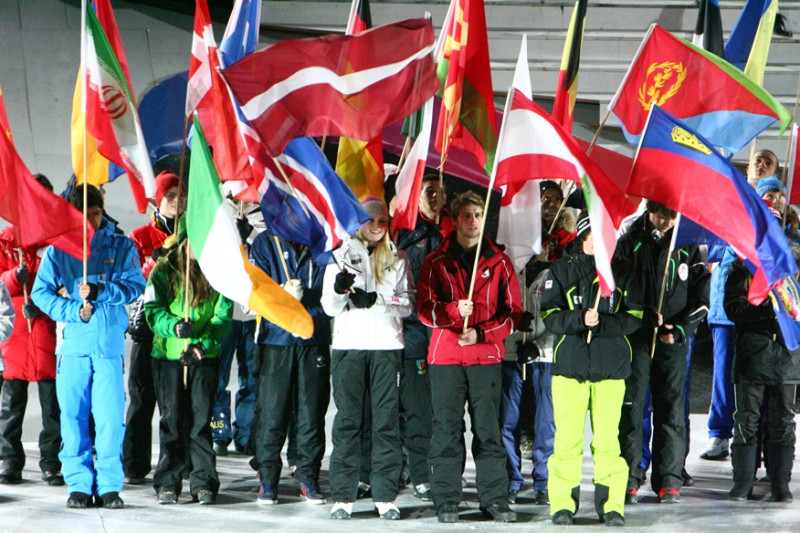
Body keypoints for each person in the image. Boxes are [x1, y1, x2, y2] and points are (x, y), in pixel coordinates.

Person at [31, 184, 145, 509]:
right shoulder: (58, 250)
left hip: (108, 349)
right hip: (73, 350)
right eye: (83, 215)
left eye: (95, 214)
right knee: (73, 417)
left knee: (110, 419)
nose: (90, 222)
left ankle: (109, 485)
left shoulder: (121, 245)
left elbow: (136, 285)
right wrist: (71, 311)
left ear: (102, 209)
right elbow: (42, 293)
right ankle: (78, 484)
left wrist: (100, 290)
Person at [417, 191, 522, 524]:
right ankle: (447, 499)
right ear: (456, 218)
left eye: (478, 214)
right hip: (446, 358)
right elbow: (423, 309)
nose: (473, 220)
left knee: (489, 430)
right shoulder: (436, 261)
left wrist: (482, 333)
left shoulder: (499, 261)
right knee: (447, 429)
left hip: (485, 358)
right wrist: (452, 311)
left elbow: (513, 314)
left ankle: (494, 499)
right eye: (467, 215)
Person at [541, 212, 639, 526]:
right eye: (596, 235)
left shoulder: (623, 271)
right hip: (569, 367)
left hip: (612, 369)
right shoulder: (560, 271)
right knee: (567, 440)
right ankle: (562, 505)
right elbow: (550, 315)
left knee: (609, 440)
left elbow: (635, 316)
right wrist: (579, 319)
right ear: (584, 238)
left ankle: (611, 506)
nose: (603, 242)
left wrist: (602, 324)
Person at [322, 197, 414, 520]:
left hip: (387, 348)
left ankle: (385, 494)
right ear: (358, 221)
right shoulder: (340, 257)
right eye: (370, 219)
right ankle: (343, 496)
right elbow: (329, 307)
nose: (376, 226)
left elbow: (408, 305)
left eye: (383, 221)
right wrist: (338, 288)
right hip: (349, 347)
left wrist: (379, 300)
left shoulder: (398, 258)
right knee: (348, 421)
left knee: (386, 422)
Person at [615, 201, 709, 504]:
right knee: (632, 408)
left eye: (672, 216)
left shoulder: (688, 242)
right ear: (650, 210)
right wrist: (640, 315)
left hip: (672, 343)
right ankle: (629, 476)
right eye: (661, 216)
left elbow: (701, 298)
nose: (666, 222)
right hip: (638, 340)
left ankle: (669, 479)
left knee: (671, 409)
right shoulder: (631, 238)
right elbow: (617, 287)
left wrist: (679, 329)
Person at [143, 238, 233, 505]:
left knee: (201, 421)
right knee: (172, 420)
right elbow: (153, 309)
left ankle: (203, 481)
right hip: (168, 357)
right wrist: (175, 327)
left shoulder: (218, 271)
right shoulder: (163, 271)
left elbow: (222, 316)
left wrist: (201, 346)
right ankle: (168, 481)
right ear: (182, 242)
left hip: (203, 359)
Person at [701, 175, 784, 462]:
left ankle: (757, 438)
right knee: (723, 377)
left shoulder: (777, 231)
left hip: (758, 316)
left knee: (757, 379)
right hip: (725, 315)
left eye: (776, 195)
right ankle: (719, 434)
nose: (771, 199)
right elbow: (711, 259)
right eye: (765, 195)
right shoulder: (728, 225)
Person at [249, 228, 331, 505]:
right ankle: (268, 480)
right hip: (276, 339)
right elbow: (255, 290)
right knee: (272, 412)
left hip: (313, 338)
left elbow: (329, 296)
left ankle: (308, 477)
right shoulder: (264, 242)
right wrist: (284, 303)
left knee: (311, 411)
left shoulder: (323, 242)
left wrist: (305, 313)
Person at [724, 245, 800, 502]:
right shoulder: (741, 267)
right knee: (747, 420)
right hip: (752, 357)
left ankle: (780, 484)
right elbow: (733, 310)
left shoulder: (792, 269)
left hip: (786, 358)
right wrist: (767, 307)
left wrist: (785, 307)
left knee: (783, 421)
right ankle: (743, 482)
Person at [123, 170, 185, 484]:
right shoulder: (140, 237)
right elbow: (130, 284)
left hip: (180, 331)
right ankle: (134, 463)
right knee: (141, 398)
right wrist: (152, 265)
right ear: (157, 200)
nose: (177, 202)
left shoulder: (194, 233)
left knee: (177, 403)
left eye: (180, 195)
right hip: (147, 330)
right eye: (170, 196)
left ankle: (178, 463)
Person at [0, 174, 61, 486]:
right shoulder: (4, 241)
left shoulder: (57, 242)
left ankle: (52, 462)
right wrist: (13, 278)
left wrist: (43, 304)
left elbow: (66, 286)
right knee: (10, 406)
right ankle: (9, 461)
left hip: (48, 334)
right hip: (15, 337)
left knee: (53, 407)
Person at [393, 176, 452, 501]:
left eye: (437, 191)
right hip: (411, 336)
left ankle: (425, 471)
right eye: (426, 191)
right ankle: (405, 467)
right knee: (405, 407)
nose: (432, 196)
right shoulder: (404, 234)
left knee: (431, 411)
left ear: (444, 196)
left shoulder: (451, 234)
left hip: (442, 340)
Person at [210, 202, 263, 457]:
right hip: (225, 313)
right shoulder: (221, 209)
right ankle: (218, 431)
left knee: (252, 377)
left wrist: (250, 235)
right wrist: (234, 240)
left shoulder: (265, 214)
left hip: (254, 313)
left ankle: (246, 433)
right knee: (217, 376)